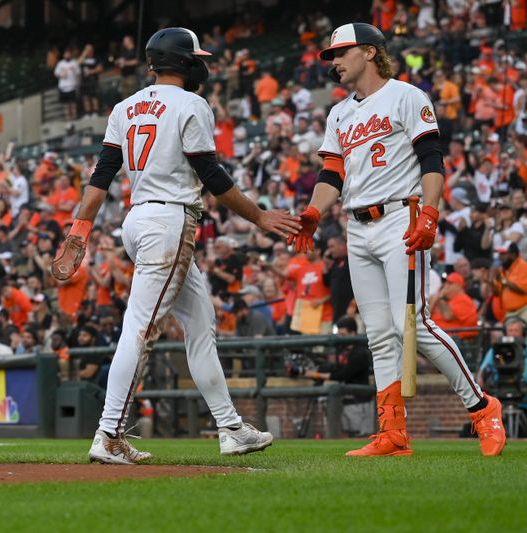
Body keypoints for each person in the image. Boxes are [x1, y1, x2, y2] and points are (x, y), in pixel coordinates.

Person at [51, 27, 301, 464]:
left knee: (200, 322)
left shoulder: (125, 107)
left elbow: (100, 180)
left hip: (138, 220)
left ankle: (230, 428)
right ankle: (108, 433)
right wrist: (260, 216)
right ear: (184, 61)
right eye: (196, 56)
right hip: (168, 221)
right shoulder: (192, 103)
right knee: (141, 329)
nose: (201, 63)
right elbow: (213, 179)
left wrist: (80, 230)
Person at [290, 22, 505, 456]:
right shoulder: (338, 113)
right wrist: (315, 210)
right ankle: (393, 432)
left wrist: (430, 211)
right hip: (358, 225)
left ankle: (482, 407)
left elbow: (431, 158)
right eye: (330, 56)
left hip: (399, 218)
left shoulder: (406, 96)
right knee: (379, 334)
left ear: (369, 52)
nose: (333, 62)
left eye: (340, 52)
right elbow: (332, 174)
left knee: (416, 325)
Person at [299, 316, 375, 436]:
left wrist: (317, 374)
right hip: (347, 400)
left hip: (360, 402)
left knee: (360, 436)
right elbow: (336, 368)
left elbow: (343, 374)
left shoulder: (360, 352)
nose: (341, 338)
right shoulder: (341, 349)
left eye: (343, 335)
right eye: (339, 334)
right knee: (348, 434)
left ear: (353, 333)